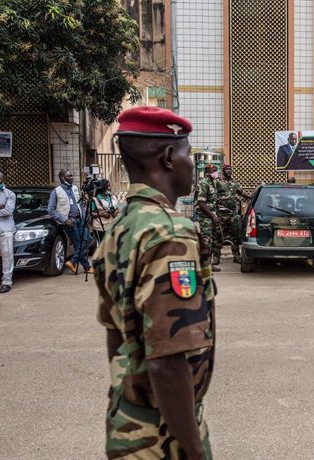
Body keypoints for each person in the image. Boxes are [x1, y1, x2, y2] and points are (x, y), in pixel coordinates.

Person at [93, 106, 216, 459]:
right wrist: (193, 450)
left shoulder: (122, 225)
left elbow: (113, 330)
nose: (192, 164)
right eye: (188, 153)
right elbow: (167, 359)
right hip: (163, 435)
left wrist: (123, 392)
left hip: (128, 420)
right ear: (167, 157)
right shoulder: (169, 232)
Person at [48, 169, 93, 274]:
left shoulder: (75, 188)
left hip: (79, 219)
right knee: (79, 245)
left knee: (88, 239)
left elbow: (80, 204)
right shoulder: (56, 191)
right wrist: (64, 220)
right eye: (69, 176)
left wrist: (85, 217)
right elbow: (51, 210)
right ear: (63, 178)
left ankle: (73, 262)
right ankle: (87, 267)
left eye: (72, 175)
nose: (72, 177)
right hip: (69, 222)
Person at [217, 164, 250, 263]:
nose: (229, 171)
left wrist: (251, 197)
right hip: (221, 213)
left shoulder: (234, 183)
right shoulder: (218, 182)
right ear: (223, 171)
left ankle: (236, 256)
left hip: (232, 213)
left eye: (230, 169)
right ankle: (216, 257)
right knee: (218, 235)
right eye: (227, 169)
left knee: (235, 236)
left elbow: (241, 192)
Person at [196, 164, 221, 271]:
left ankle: (209, 263)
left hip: (212, 215)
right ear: (208, 172)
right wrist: (212, 216)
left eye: (216, 170)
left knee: (214, 240)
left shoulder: (213, 182)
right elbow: (201, 203)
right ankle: (205, 265)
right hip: (205, 217)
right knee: (207, 241)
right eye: (214, 170)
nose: (216, 172)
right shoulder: (203, 183)